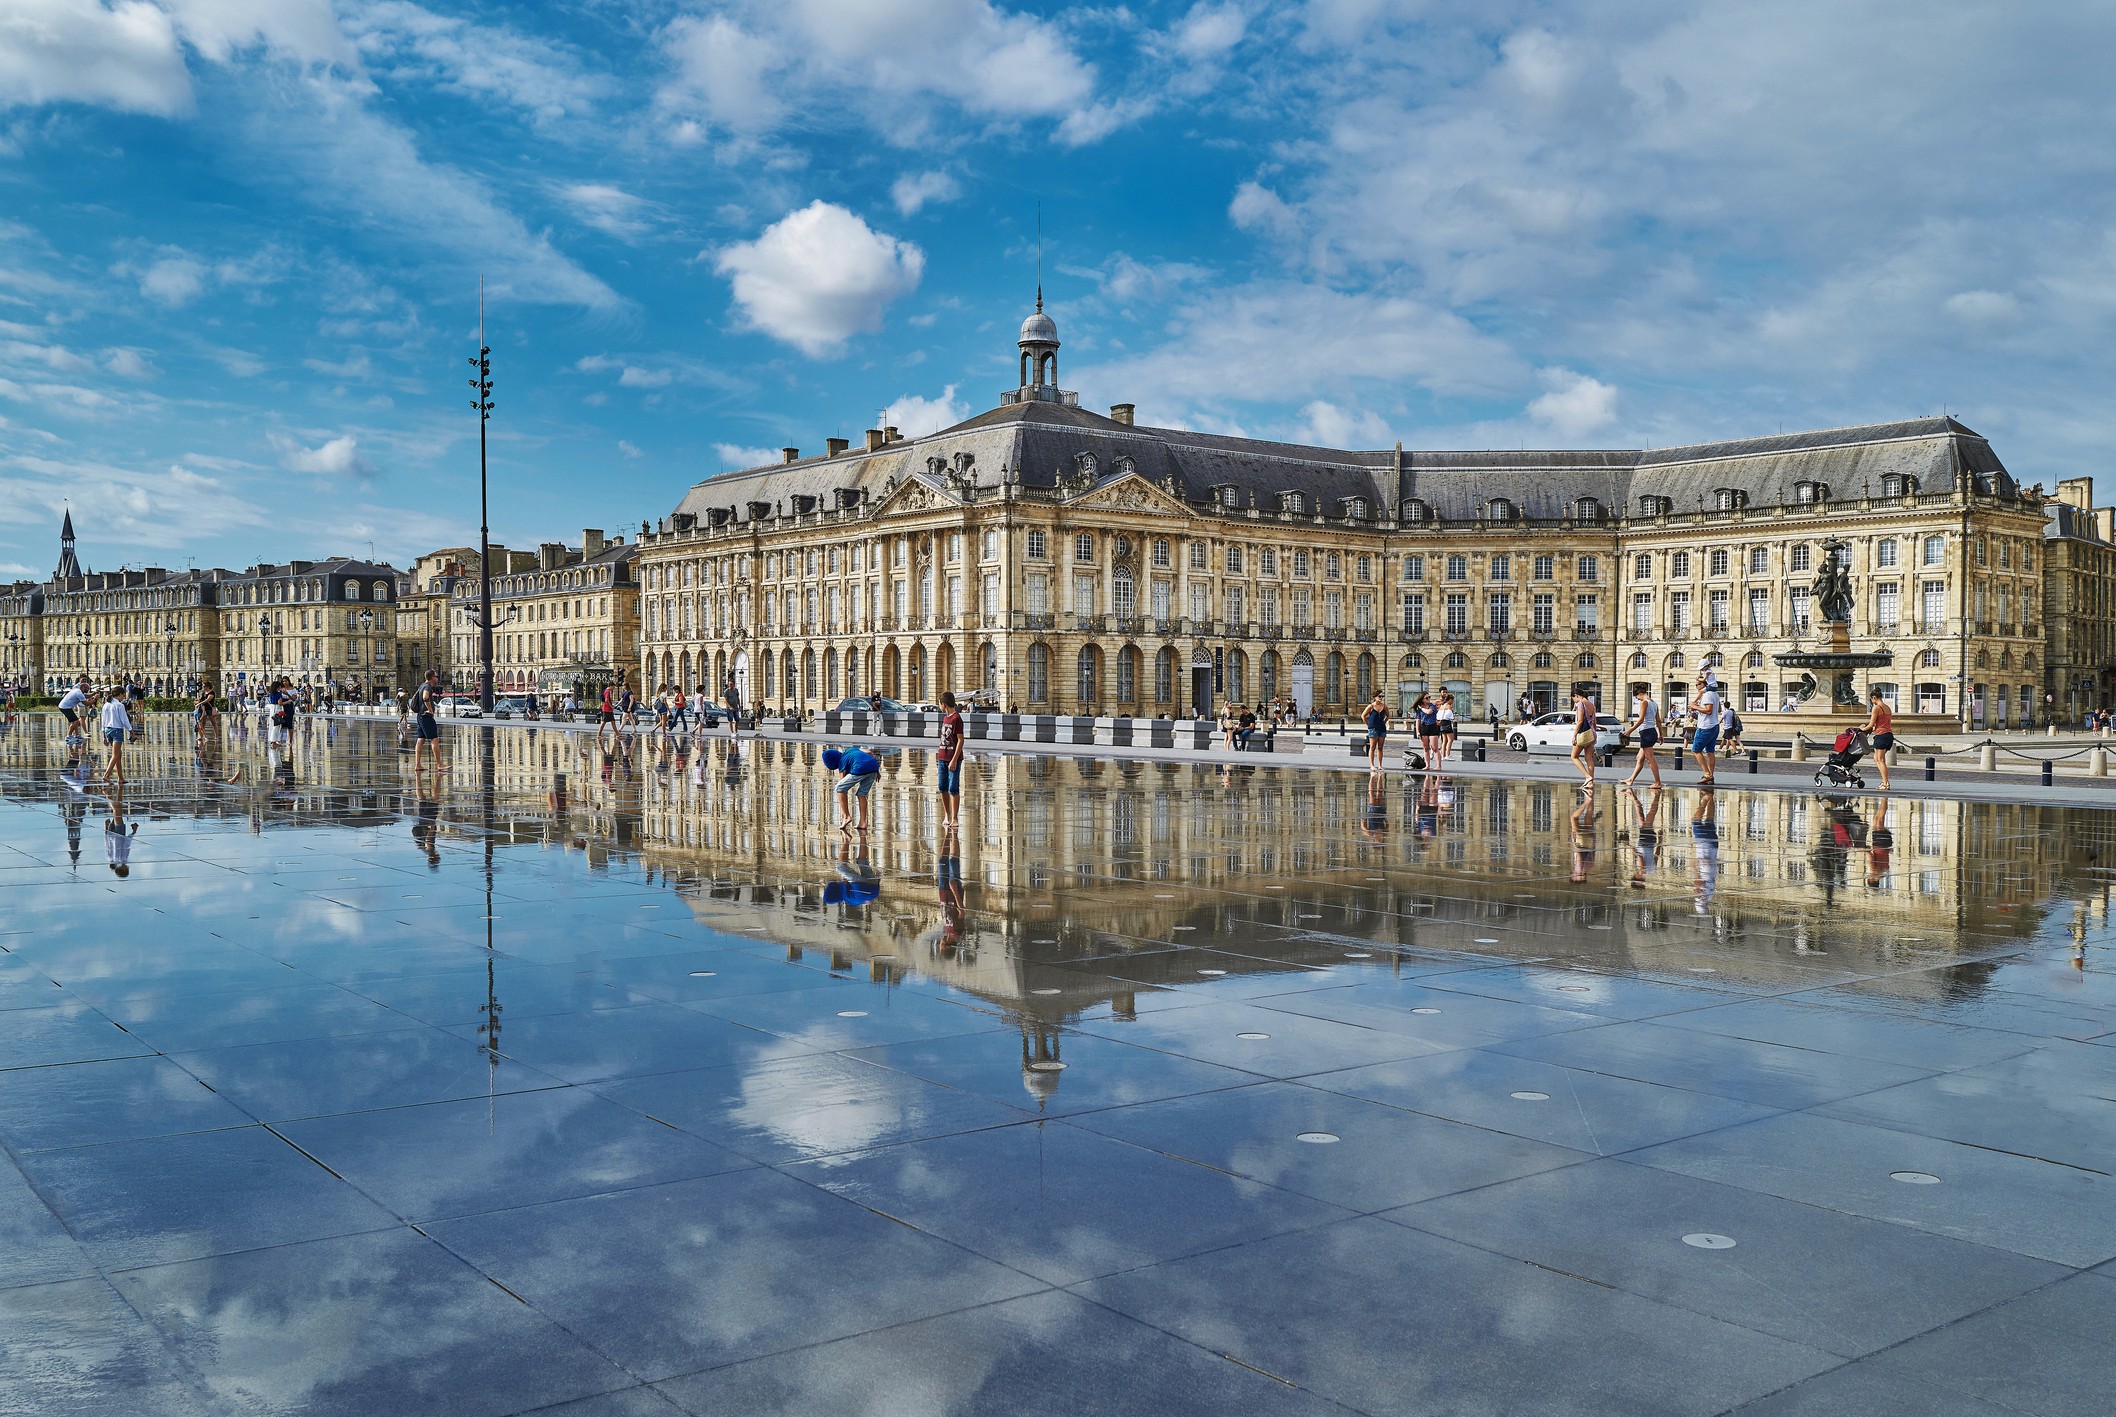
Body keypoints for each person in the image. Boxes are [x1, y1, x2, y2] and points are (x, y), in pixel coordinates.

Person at [822, 744, 882, 831]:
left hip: (860, 767)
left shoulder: (842, 762)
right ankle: (863, 822)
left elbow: (842, 786)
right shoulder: (850, 750)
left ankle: (846, 816)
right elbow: (869, 752)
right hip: (873, 767)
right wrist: (877, 770)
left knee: (839, 788)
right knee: (862, 794)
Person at [1621, 683, 1662, 788]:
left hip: (1646, 732)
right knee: (1639, 758)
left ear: (1639, 694)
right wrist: (1661, 734)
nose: (1637, 700)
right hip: (1652, 731)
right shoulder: (1654, 703)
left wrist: (1630, 731)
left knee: (1650, 759)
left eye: (1637, 697)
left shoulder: (1644, 702)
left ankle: (1657, 782)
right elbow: (1658, 720)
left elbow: (1641, 719)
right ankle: (1631, 779)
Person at [935, 690, 965, 829]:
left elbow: (960, 740)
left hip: (953, 759)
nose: (939, 706)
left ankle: (955, 817)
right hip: (942, 757)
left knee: (953, 788)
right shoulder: (945, 718)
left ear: (944, 704)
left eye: (940, 704)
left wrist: (954, 760)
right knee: (942, 787)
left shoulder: (956, 718)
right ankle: (947, 815)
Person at [409, 669, 445, 772]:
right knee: (435, 739)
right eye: (436, 677)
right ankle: (439, 764)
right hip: (426, 716)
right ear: (432, 677)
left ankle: (417, 764)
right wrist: (430, 710)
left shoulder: (421, 685)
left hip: (420, 716)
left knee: (421, 740)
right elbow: (425, 697)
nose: (437, 678)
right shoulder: (427, 687)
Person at [1690, 675, 1722, 785]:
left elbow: (1708, 710)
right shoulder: (1715, 694)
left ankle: (1707, 774)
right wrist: (1700, 706)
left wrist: (1696, 707)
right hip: (1714, 725)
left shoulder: (1707, 695)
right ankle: (1711, 776)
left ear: (1704, 684)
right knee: (1710, 752)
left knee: (1696, 750)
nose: (1697, 687)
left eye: (1698, 684)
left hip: (1705, 727)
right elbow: (1717, 709)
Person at [97, 688, 133, 784]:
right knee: (116, 754)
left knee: (118, 755)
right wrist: (131, 731)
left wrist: (104, 736)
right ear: (119, 694)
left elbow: (103, 721)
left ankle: (120, 778)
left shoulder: (106, 705)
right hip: (117, 730)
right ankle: (106, 775)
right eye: (123, 695)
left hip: (108, 730)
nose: (123, 697)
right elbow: (124, 720)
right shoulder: (119, 705)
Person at [1861, 692, 1895, 789]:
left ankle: (1886, 783)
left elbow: (1871, 724)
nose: (1872, 701)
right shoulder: (1887, 707)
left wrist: (1863, 728)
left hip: (1881, 735)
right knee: (1876, 758)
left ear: (1874, 697)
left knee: (1881, 760)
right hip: (1888, 735)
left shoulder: (1876, 708)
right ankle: (1884, 781)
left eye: (1872, 699)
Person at [1568, 684, 1598, 786]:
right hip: (1592, 733)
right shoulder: (1592, 705)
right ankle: (1591, 783)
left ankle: (1587, 776)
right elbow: (1594, 722)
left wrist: (1574, 735)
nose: (1574, 701)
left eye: (1573, 699)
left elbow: (1580, 721)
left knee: (1574, 756)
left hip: (1584, 733)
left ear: (1576, 695)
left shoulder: (1580, 704)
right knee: (1589, 758)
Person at [58, 676, 89, 745]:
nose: (87, 690)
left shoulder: (80, 690)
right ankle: (68, 736)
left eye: (85, 679)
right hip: (66, 707)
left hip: (66, 706)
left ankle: (77, 736)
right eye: (87, 689)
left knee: (76, 721)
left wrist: (93, 694)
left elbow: (86, 696)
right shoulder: (78, 690)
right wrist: (95, 699)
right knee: (75, 721)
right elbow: (86, 703)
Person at [1363, 690, 1390, 770]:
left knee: (1380, 747)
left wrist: (1384, 722)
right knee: (1372, 747)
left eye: (1382, 696)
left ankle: (1380, 765)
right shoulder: (1371, 707)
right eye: (1379, 696)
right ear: (1375, 697)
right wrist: (1368, 724)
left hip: (1382, 728)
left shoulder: (1384, 706)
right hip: (1373, 728)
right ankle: (1372, 765)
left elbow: (1387, 716)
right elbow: (1363, 716)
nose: (1381, 698)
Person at [1435, 691, 1458, 762]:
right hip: (1447, 723)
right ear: (1450, 699)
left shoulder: (1442, 706)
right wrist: (1453, 713)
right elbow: (1451, 717)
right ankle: (1448, 755)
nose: (1452, 702)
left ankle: (1443, 755)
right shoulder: (1448, 706)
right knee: (1451, 740)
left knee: (1444, 740)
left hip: (1441, 723)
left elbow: (1438, 715)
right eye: (1452, 700)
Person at [723, 671, 744, 739]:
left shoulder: (736, 690)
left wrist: (740, 706)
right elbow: (725, 700)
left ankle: (736, 731)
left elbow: (738, 698)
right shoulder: (727, 691)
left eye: (731, 684)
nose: (730, 685)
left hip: (735, 707)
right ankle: (731, 732)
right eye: (729, 684)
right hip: (730, 708)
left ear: (734, 684)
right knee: (730, 720)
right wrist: (729, 707)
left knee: (737, 720)